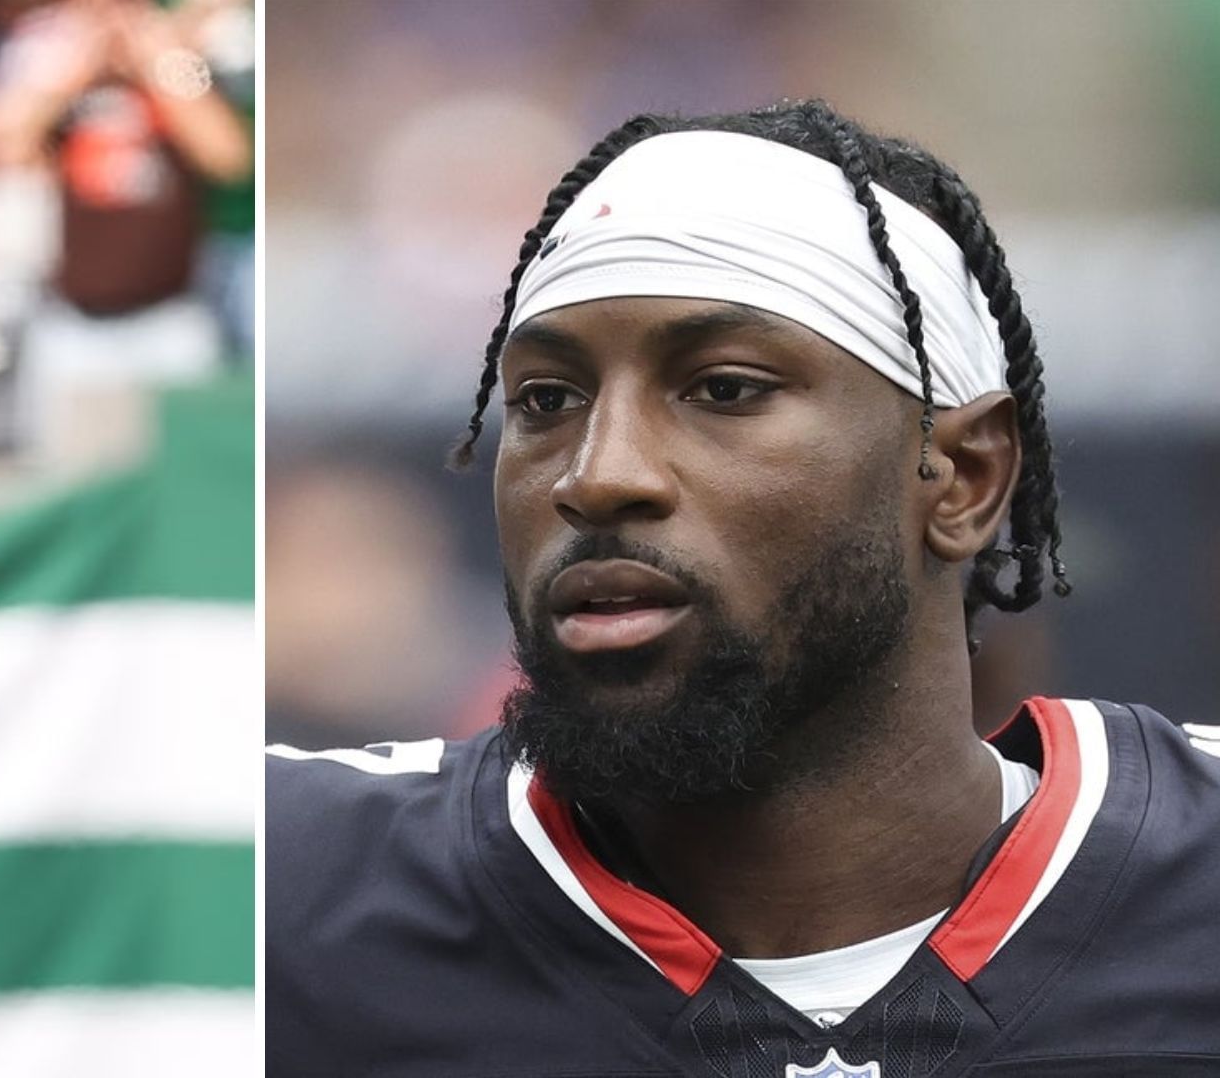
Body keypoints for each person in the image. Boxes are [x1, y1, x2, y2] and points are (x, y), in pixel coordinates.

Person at [267, 100, 1220, 1076]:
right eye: (546, 401)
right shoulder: (282, 893)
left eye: (724, 387)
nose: (596, 475)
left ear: (966, 476)